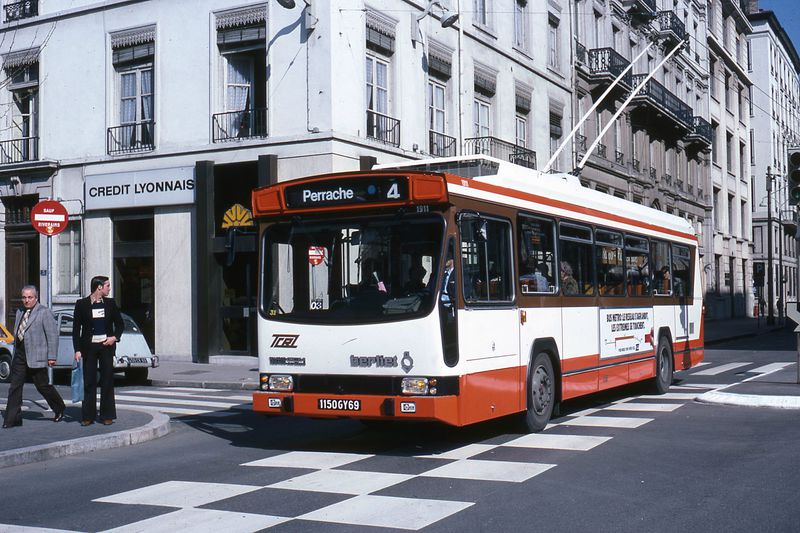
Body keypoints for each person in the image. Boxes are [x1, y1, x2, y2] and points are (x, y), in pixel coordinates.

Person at [3, 285, 65, 428]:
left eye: (30, 297)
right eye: (24, 297)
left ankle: (59, 407)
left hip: (37, 355)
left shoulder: (44, 312)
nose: (26, 300)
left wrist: (52, 356)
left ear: (36, 298)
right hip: (19, 354)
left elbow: (52, 336)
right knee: (15, 386)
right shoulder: (20, 311)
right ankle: (12, 419)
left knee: (42, 386)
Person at [72, 276, 125, 426]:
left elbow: (120, 324)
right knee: (89, 381)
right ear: (99, 287)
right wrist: (77, 350)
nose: (109, 288)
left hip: (106, 346)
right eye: (108, 285)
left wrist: (114, 337)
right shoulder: (81, 304)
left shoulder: (110, 303)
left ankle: (107, 415)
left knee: (107, 380)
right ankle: (88, 416)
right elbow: (76, 330)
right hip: (89, 347)